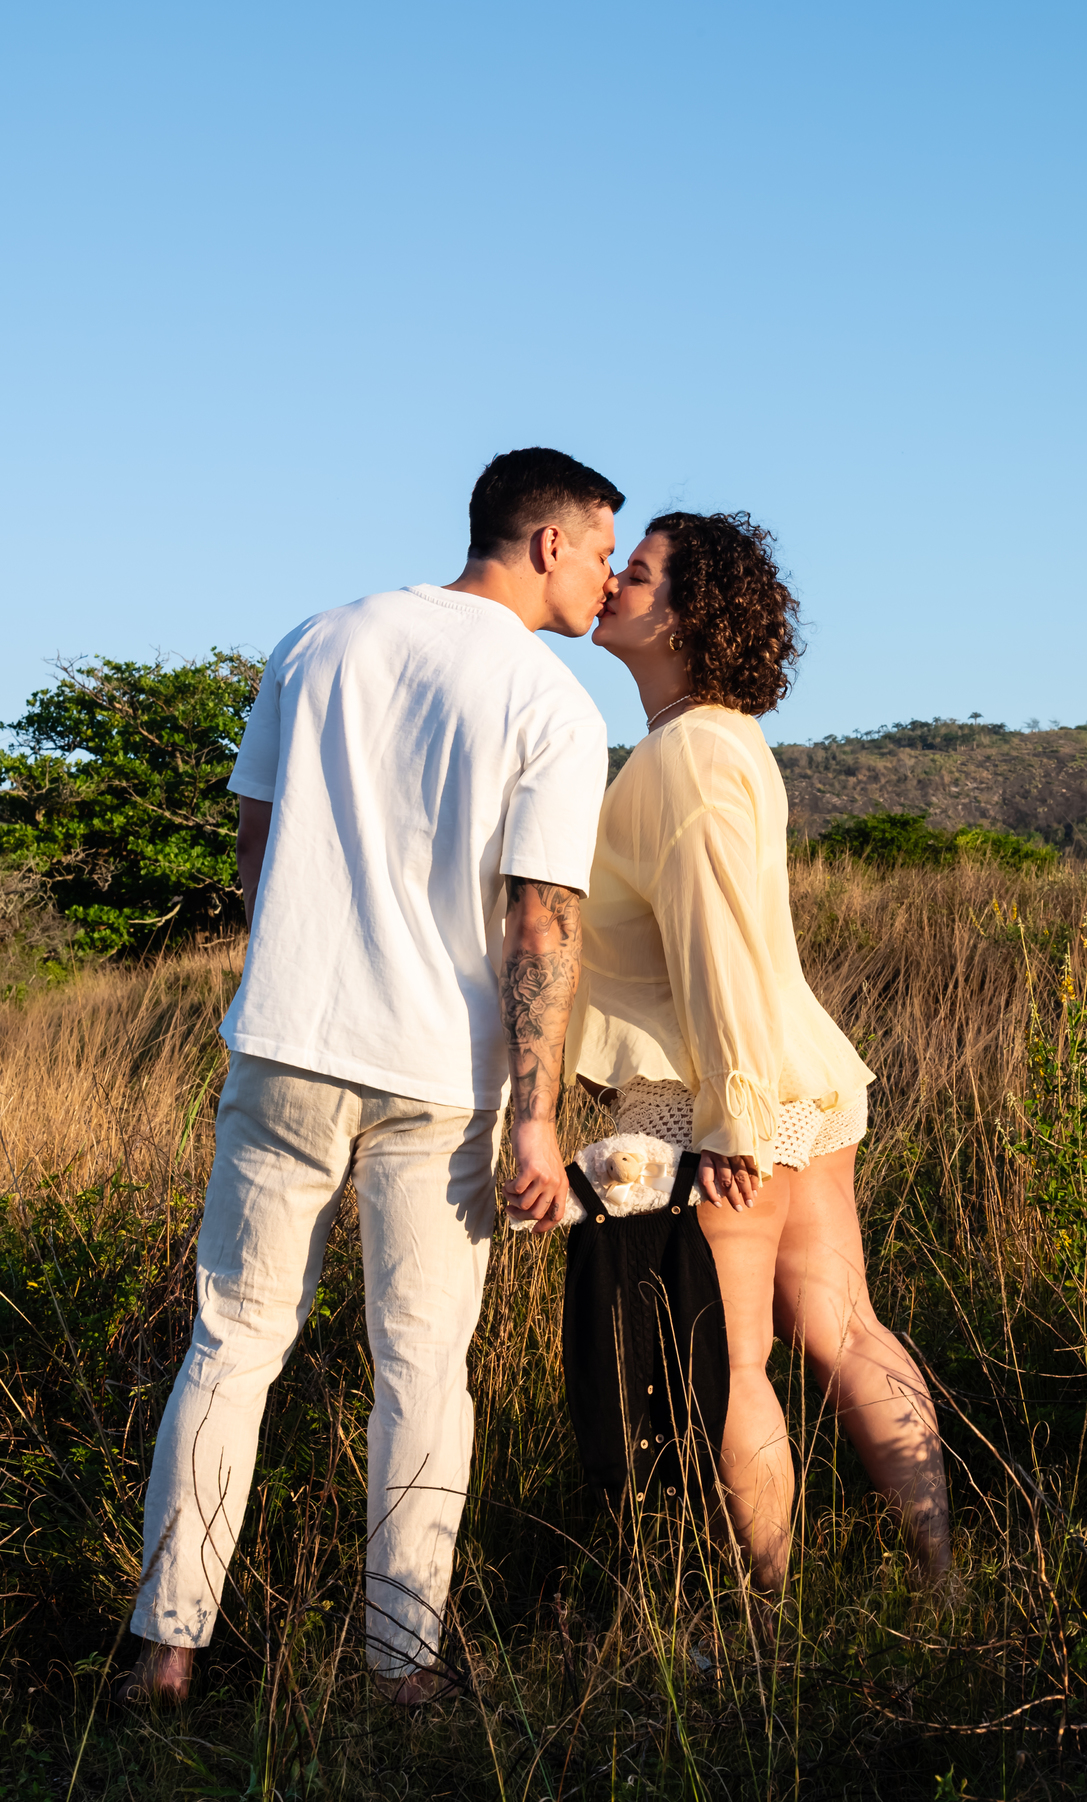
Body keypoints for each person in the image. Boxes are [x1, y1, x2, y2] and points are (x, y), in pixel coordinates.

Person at [119, 447, 623, 1706]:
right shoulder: (554, 706)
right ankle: (401, 1666)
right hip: (439, 1072)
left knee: (231, 1343)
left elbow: (255, 844)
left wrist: (304, 967)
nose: (609, 581)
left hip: (288, 1040)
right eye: (603, 552)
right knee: (423, 1368)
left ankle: (167, 1648)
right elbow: (541, 921)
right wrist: (537, 1114)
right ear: (549, 541)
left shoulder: (321, 638)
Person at [566, 511, 950, 1591]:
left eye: (639, 574)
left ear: (684, 617)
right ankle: (943, 1578)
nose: (613, 583)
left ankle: (768, 1617)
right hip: (798, 1077)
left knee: (730, 1363)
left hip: (717, 1095)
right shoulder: (722, 738)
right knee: (845, 1329)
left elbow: (714, 939)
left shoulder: (684, 754)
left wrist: (733, 1117)